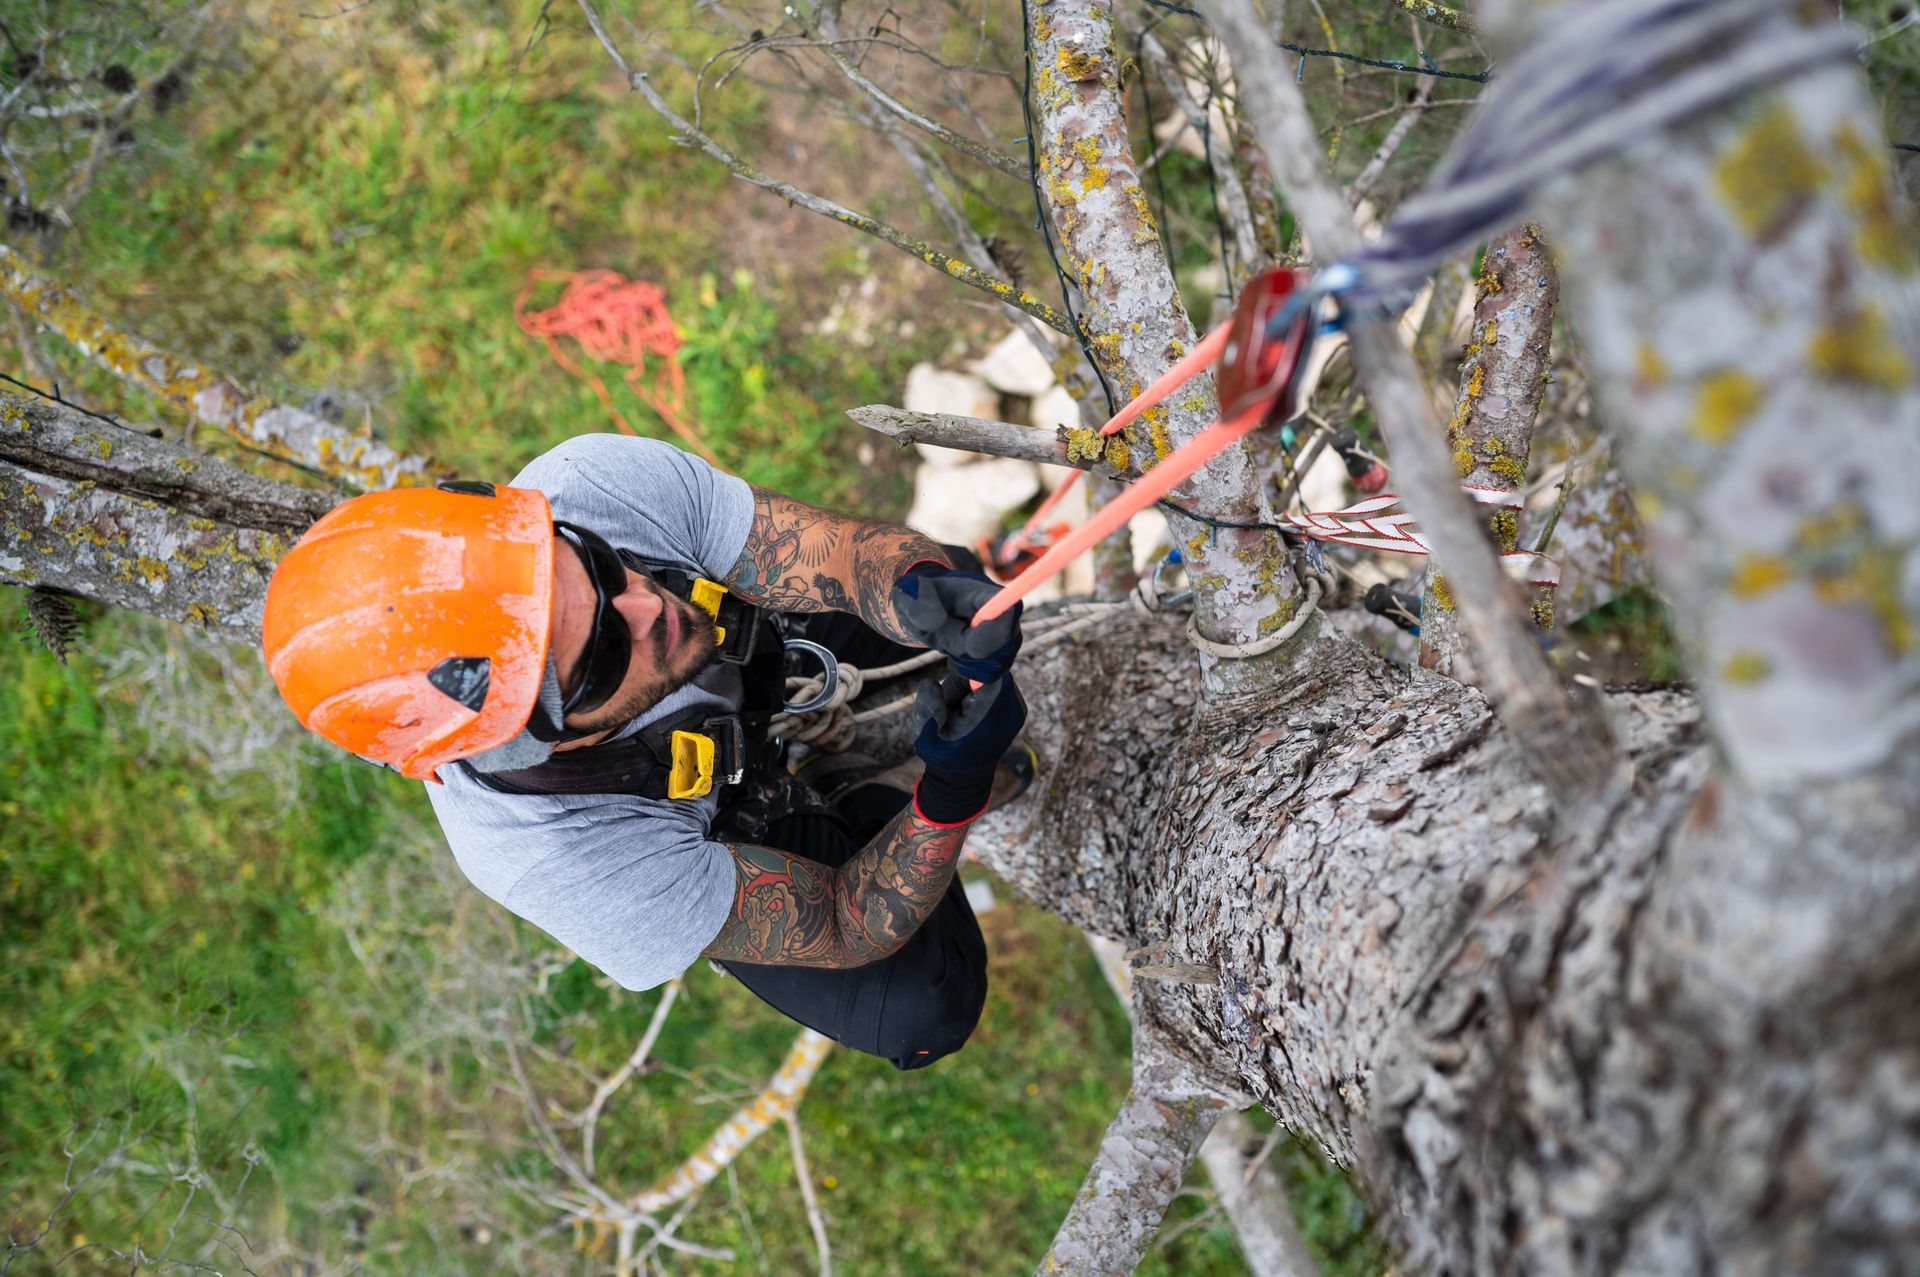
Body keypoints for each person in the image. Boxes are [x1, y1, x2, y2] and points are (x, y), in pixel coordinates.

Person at [260, 434, 1027, 1070]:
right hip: (714, 822)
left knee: (940, 586)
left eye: (593, 564)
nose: (646, 606)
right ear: (525, 740)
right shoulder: (563, 860)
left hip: (759, 650)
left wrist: (914, 586)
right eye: (597, 654)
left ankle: (857, 737)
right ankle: (867, 792)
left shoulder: (588, 485)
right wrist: (947, 792)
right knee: (925, 1006)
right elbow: (839, 921)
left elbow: (833, 557)